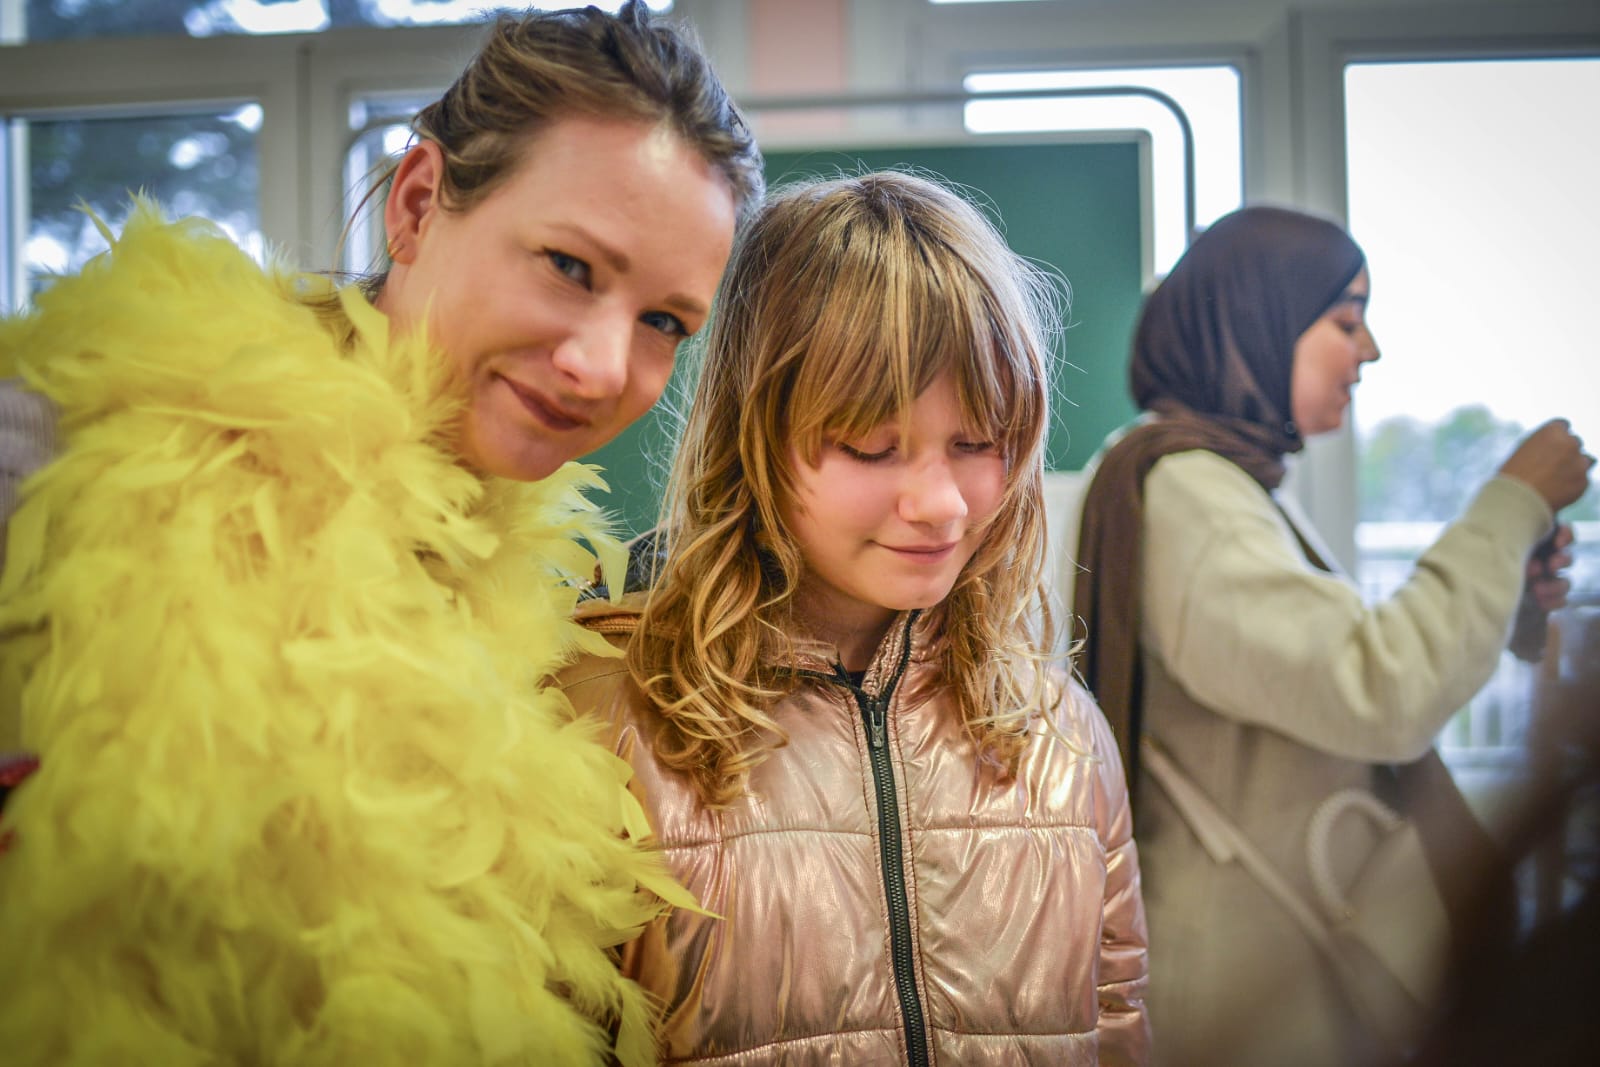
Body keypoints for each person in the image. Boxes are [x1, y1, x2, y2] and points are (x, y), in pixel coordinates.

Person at [0, 4, 761, 1064]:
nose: (600, 366)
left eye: (664, 323)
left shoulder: (522, 607)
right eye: (569, 266)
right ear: (415, 204)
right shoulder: (70, 439)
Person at [561, 172, 1151, 1066]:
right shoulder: (603, 727)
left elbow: (1118, 1028)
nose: (943, 504)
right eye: (874, 447)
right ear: (754, 438)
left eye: (978, 442)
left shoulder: (1061, 737)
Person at [1071, 204, 1594, 1067]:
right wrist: (1512, 501)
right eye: (1347, 321)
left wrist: (1503, 597)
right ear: (1257, 324)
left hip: (1265, 958)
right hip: (1259, 984)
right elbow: (1381, 686)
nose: (1370, 350)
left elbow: (1328, 664)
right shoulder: (1196, 494)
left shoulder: (1213, 483)